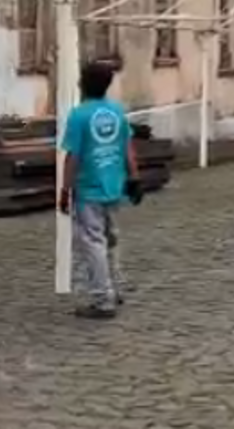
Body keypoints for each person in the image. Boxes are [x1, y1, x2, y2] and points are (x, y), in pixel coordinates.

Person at [59, 62, 141, 319]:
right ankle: (115, 288)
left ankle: (102, 298)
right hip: (114, 185)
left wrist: (65, 189)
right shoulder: (116, 112)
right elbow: (127, 147)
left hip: (89, 188)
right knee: (111, 238)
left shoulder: (79, 115)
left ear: (83, 83)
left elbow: (72, 156)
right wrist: (135, 176)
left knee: (93, 241)